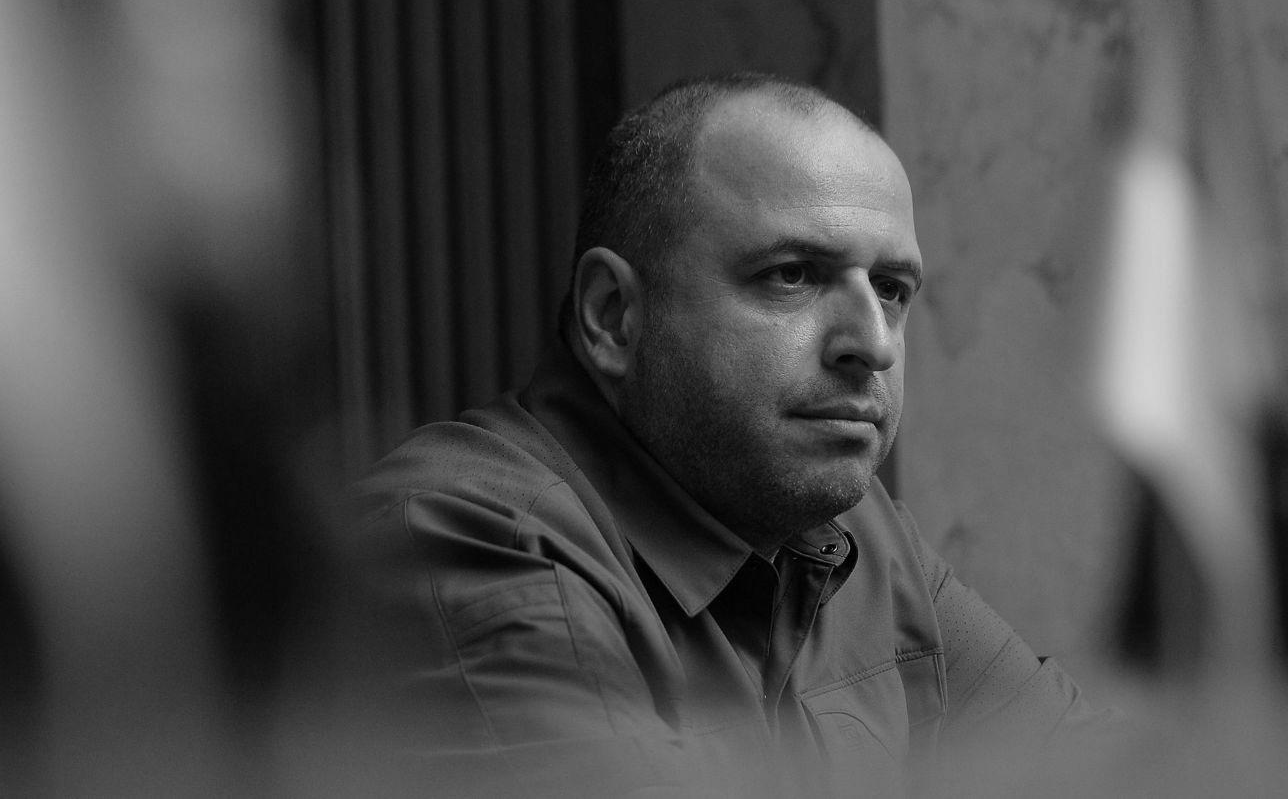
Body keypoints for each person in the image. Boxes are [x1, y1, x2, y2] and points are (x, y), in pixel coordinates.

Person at [352, 73, 1117, 797]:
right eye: (793, 274)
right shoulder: (470, 537)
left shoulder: (860, 536)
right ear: (613, 315)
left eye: (891, 289)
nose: (873, 343)